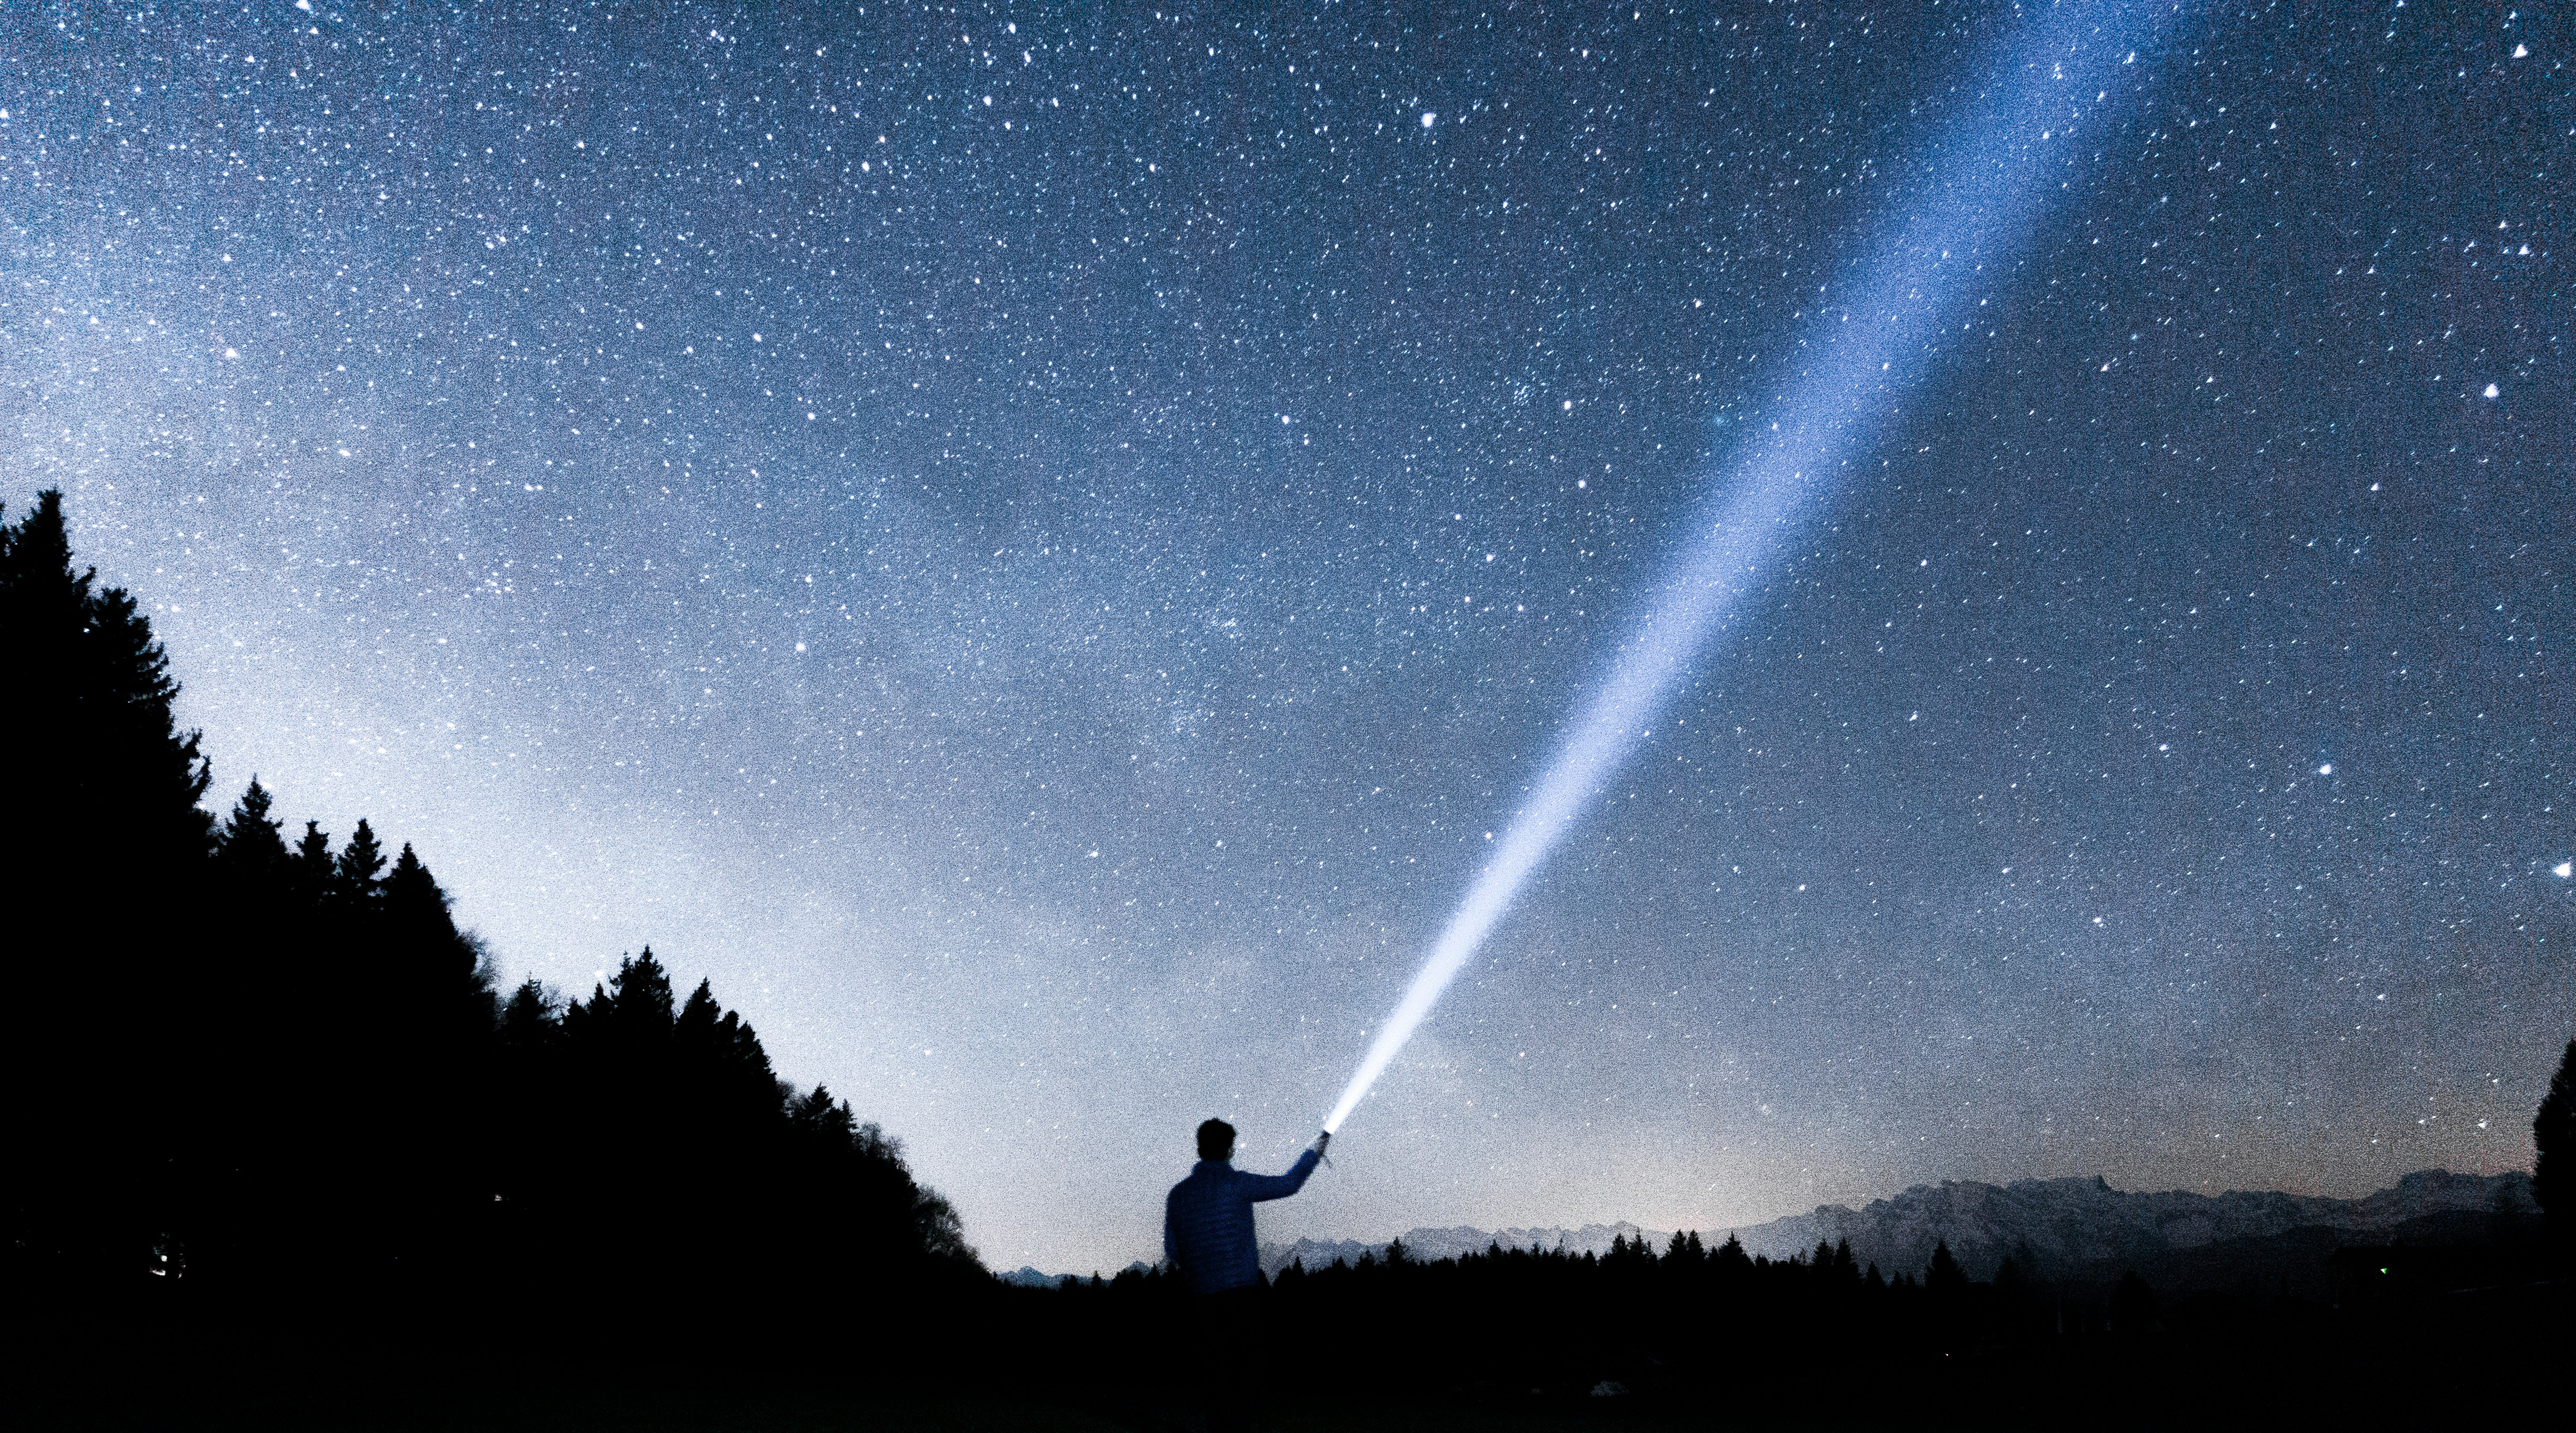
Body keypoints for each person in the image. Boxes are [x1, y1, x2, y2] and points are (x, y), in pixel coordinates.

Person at [1163, 1119, 1328, 1428]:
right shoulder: (1237, 1184)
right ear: (1228, 1150)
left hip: (1201, 1302)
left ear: (1200, 1149)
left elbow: (1173, 1251)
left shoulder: (1178, 1195)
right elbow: (1289, 1184)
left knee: (1216, 1380)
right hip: (1241, 1297)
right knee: (1246, 1377)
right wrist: (1315, 1152)